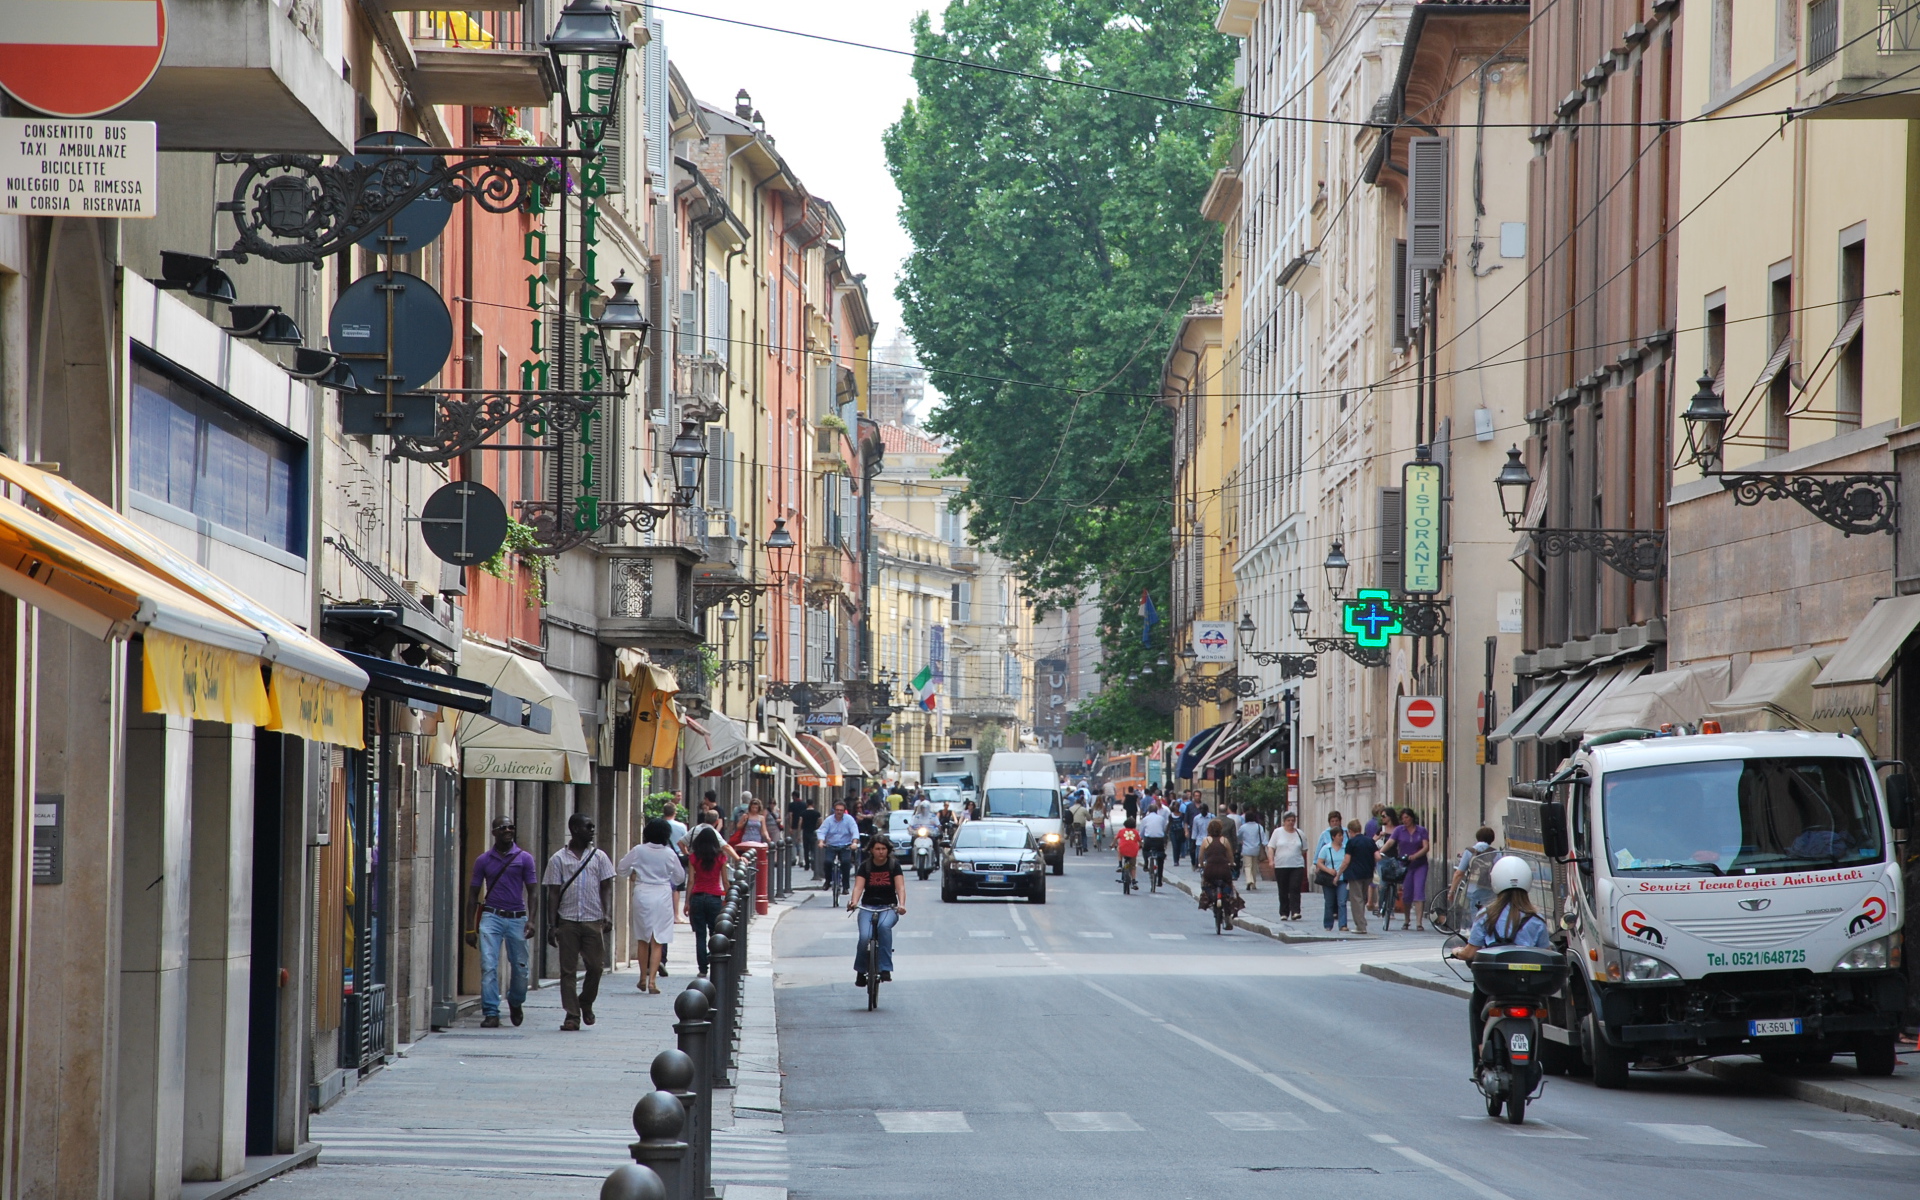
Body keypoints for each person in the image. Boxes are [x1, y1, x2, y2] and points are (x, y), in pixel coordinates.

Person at [1450, 856, 1551, 1060]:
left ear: (1495, 882)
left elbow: (1470, 952)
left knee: (1477, 1004)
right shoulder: (1537, 920)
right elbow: (1545, 953)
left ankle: (1480, 1051)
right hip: (1527, 985)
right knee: (1541, 1008)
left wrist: (1457, 952)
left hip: (1495, 983)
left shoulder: (1485, 915)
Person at [542, 812, 616, 1031]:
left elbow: (606, 887)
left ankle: (585, 1001)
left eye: (593, 827)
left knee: (596, 967)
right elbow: (553, 893)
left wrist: (607, 914)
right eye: (588, 827)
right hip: (568, 921)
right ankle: (572, 1015)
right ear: (574, 829)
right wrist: (552, 925)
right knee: (568, 971)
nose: (592, 830)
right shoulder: (558, 859)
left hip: (593, 920)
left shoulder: (599, 857)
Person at [466, 815, 537, 1028]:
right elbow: (473, 894)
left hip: (517, 917)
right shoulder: (483, 860)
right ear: (494, 832)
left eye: (510, 827)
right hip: (491, 916)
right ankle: (491, 1012)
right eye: (503, 827)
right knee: (488, 965)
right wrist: (469, 928)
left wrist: (531, 920)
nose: (508, 830)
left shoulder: (525, 858)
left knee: (521, 968)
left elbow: (533, 892)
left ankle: (515, 1000)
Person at [617, 818, 685, 994]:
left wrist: (633, 873)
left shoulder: (638, 850)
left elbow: (621, 868)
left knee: (642, 938)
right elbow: (680, 877)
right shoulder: (669, 853)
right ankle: (652, 982)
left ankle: (642, 978)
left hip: (642, 893)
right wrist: (667, 878)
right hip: (662, 895)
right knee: (658, 939)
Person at [847, 835, 907, 986]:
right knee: (864, 937)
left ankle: (885, 968)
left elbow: (900, 887)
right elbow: (858, 887)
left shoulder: (893, 865)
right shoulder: (865, 866)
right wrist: (854, 902)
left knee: (883, 927)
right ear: (871, 850)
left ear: (888, 850)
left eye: (884, 849)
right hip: (867, 907)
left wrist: (902, 904)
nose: (881, 852)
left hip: (889, 907)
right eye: (878, 849)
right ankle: (861, 971)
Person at [685, 820, 732, 976]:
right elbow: (725, 881)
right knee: (715, 933)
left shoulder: (694, 857)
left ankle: (702, 969)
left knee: (700, 935)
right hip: (714, 897)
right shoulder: (720, 857)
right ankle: (714, 961)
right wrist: (729, 897)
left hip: (697, 897)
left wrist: (687, 902)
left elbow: (691, 881)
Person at [1391, 807, 1432, 931]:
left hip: (1420, 864)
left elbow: (1426, 847)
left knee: (1419, 891)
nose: (1405, 820)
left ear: (1412, 818)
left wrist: (1416, 855)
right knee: (1407, 893)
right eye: (1403, 818)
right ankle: (1407, 919)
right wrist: (1379, 852)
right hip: (1405, 866)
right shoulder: (1399, 830)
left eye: (1407, 817)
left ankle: (1419, 922)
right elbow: (1391, 842)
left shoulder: (1421, 830)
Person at [1450, 826, 1501, 917]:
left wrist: (1451, 891)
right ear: (1492, 839)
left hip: (1473, 890)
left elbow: (1459, 873)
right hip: (1490, 891)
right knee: (1490, 917)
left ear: (1477, 837)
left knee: (1476, 917)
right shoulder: (1496, 853)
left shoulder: (1469, 851)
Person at [1266, 811, 1307, 920]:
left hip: (1297, 865)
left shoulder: (1300, 833)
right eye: (1288, 820)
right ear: (1284, 821)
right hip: (1281, 865)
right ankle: (1284, 912)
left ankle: (1295, 911)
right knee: (1283, 889)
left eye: (1293, 820)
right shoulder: (1277, 832)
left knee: (1295, 887)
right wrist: (1271, 860)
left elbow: (1304, 849)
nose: (1290, 822)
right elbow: (1271, 847)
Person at [1340, 819, 1376, 934]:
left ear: (1350, 831)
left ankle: (1360, 926)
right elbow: (1378, 856)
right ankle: (1362, 922)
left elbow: (1346, 861)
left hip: (1355, 874)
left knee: (1356, 899)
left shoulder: (1351, 843)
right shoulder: (1370, 841)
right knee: (1362, 898)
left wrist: (1338, 874)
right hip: (1368, 874)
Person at [1197, 817, 1239, 917]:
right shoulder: (1225, 840)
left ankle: (1207, 899)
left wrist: (1201, 864)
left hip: (1210, 870)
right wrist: (1232, 863)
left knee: (1205, 884)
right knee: (1229, 884)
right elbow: (1230, 856)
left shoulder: (1206, 841)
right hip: (1223, 869)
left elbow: (1200, 856)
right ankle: (1228, 900)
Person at [818, 799, 859, 891]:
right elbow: (822, 831)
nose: (839, 812)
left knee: (846, 863)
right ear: (834, 810)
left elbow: (854, 831)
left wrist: (854, 842)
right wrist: (821, 842)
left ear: (844, 811)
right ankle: (828, 881)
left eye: (841, 810)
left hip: (845, 845)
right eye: (837, 810)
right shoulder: (829, 820)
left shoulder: (849, 819)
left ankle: (845, 886)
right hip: (831, 845)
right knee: (827, 862)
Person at [1314, 823, 1348, 931]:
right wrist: (1328, 870)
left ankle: (1343, 924)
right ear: (1333, 837)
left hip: (1342, 879)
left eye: (1342, 835)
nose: (1341, 838)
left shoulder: (1345, 849)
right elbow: (1319, 862)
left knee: (1342, 902)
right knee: (1329, 902)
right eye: (1339, 835)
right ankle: (1328, 924)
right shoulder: (1326, 848)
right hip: (1329, 879)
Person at [1138, 800, 1170, 885]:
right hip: (1159, 840)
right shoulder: (1161, 818)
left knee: (1145, 850)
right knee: (1160, 858)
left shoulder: (1145, 819)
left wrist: (1140, 839)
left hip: (1149, 840)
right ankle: (1159, 879)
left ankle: (1146, 863)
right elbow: (1163, 829)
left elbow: (1141, 832)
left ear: (1149, 811)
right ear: (1156, 811)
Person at [1237, 809, 1266, 891]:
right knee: (1254, 867)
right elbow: (1263, 838)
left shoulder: (1243, 827)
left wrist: (1240, 841)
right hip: (1256, 849)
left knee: (1247, 866)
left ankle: (1249, 880)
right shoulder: (1258, 826)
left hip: (1246, 849)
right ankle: (1254, 884)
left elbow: (1238, 837)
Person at [1114, 817, 1142, 889]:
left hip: (1123, 850)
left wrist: (1112, 844)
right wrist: (1141, 846)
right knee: (1133, 866)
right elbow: (1140, 841)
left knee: (1119, 848)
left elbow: (1115, 838)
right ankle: (1134, 881)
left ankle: (1120, 864)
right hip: (1133, 851)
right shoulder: (1136, 832)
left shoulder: (1121, 831)